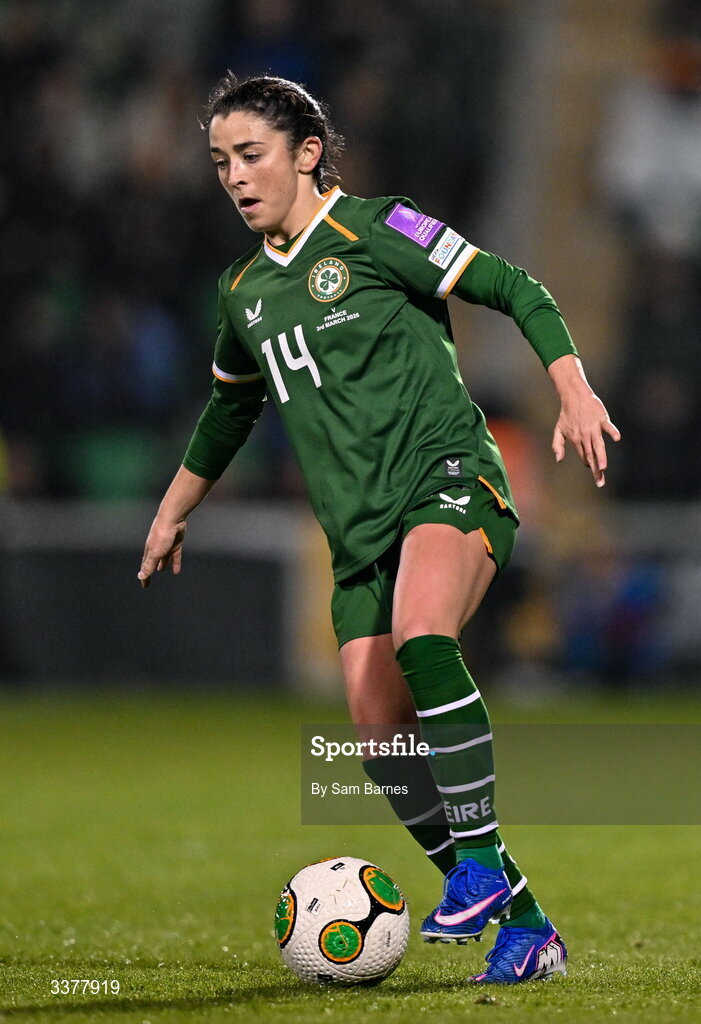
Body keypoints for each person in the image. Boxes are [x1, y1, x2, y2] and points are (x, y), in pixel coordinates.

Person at [138, 73, 620, 984]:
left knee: (421, 635)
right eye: (219, 162)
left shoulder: (380, 227)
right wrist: (170, 512)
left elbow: (515, 286)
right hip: (358, 532)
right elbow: (227, 412)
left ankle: (476, 864)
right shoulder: (242, 291)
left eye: (251, 155)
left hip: (448, 478)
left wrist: (570, 384)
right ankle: (525, 924)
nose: (234, 177)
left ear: (306, 153)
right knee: (376, 740)